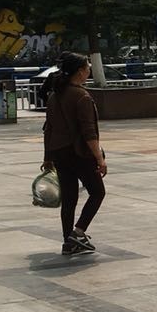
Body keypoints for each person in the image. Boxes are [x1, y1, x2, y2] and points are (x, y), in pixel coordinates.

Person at [41, 52, 106, 257]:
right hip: (79, 153)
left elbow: (48, 129)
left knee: (69, 198)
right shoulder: (82, 96)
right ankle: (78, 232)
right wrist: (99, 158)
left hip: (59, 153)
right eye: (88, 67)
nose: (89, 70)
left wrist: (47, 157)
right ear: (80, 71)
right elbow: (89, 132)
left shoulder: (55, 96)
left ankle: (68, 242)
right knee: (97, 192)